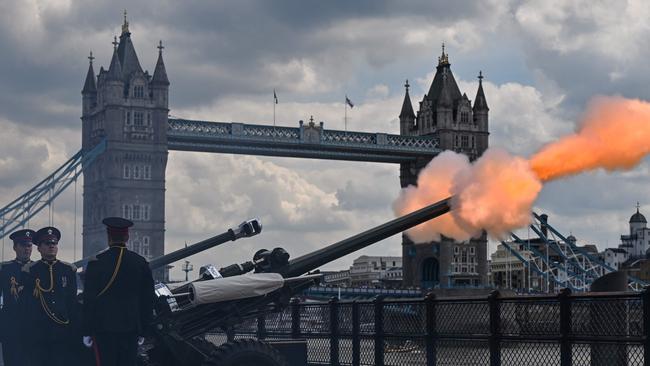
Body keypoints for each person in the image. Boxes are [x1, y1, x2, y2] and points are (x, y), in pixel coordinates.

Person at [82, 217, 155, 366]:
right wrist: (143, 330)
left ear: (108, 237)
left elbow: (89, 301)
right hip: (131, 328)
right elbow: (147, 300)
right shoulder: (140, 263)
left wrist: (87, 330)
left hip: (103, 328)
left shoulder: (96, 263)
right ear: (127, 237)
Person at [22, 226, 78, 366]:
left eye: (54, 243)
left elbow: (72, 303)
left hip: (62, 331)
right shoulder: (30, 271)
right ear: (39, 248)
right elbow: (26, 304)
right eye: (47, 244)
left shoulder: (68, 270)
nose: (52, 246)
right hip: (39, 332)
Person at [0, 229, 36, 366]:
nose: (27, 249)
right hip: (11, 327)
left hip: (33, 327)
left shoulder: (38, 269)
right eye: (23, 245)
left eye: (29, 245)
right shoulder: (4, 269)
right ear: (15, 247)